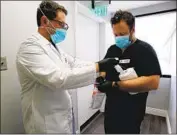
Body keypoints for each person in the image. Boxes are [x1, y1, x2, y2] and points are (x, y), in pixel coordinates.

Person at [16, 0, 119, 133]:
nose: (64, 28)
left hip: (60, 118)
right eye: (61, 24)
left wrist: (100, 65)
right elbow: (57, 79)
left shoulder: (54, 47)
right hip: (45, 123)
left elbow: (74, 63)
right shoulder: (29, 48)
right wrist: (98, 67)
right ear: (44, 20)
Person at [96, 10, 162, 134]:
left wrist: (114, 85)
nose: (118, 37)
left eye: (122, 34)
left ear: (132, 30)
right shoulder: (112, 49)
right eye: (115, 35)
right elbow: (104, 68)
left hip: (132, 113)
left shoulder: (145, 50)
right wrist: (101, 77)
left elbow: (154, 82)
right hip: (111, 110)